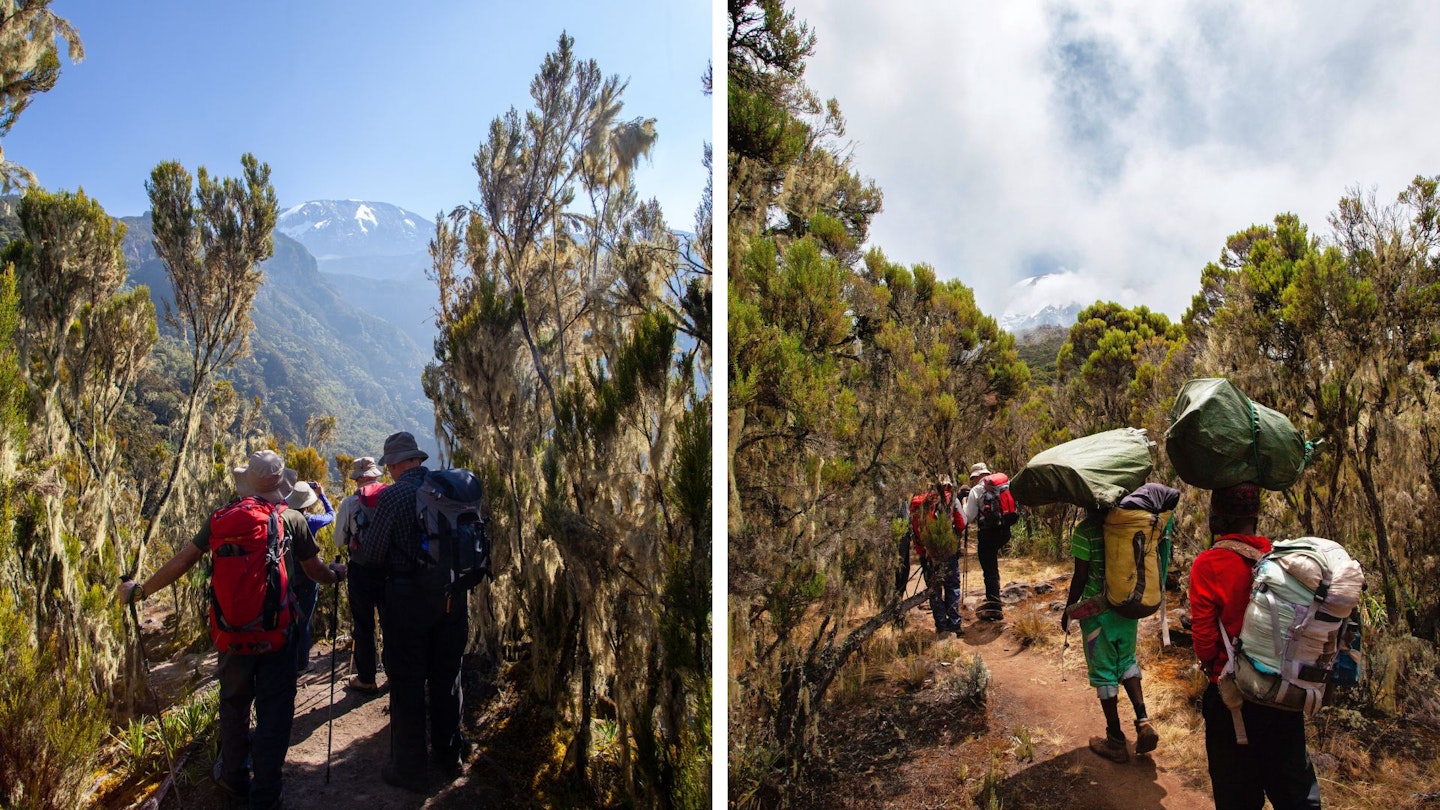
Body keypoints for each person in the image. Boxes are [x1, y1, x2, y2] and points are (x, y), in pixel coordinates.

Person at [116, 450, 345, 810]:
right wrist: (335, 575)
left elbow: (183, 560)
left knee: (234, 706)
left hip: (231, 636)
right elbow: (314, 571)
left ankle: (234, 779)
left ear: (248, 482)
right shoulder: (292, 519)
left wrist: (141, 591)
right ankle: (267, 793)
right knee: (275, 710)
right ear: (281, 484)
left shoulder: (221, 518)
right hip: (277, 636)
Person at [1189, 483, 1322, 809]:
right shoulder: (1280, 560)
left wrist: (1214, 665)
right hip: (1281, 694)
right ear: (1256, 514)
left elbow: (1205, 645)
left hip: (1232, 699)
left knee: (1238, 795)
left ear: (1215, 516)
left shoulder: (1208, 564)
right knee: (1294, 791)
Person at [356, 431, 468, 792]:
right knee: (447, 677)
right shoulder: (449, 488)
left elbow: (371, 555)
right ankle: (450, 757)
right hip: (452, 600)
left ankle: (409, 768)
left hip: (407, 601)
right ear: (418, 460)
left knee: (406, 682)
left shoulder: (394, 496)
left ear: (395, 465)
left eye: (389, 466)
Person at [1062, 508, 1160, 763]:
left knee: (1104, 671)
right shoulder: (1125, 524)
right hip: (1126, 609)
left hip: (1098, 614)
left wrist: (1069, 610)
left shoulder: (1086, 531)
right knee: (1127, 661)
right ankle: (1143, 720)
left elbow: (1080, 576)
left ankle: (1115, 739)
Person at [334, 456, 387, 693]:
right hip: (390, 569)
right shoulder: (391, 497)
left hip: (360, 568)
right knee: (391, 620)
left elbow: (337, 540)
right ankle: (394, 674)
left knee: (363, 624)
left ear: (358, 479)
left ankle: (366, 678)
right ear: (376, 476)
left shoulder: (349, 503)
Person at [284, 478, 334, 674]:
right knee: (304, 621)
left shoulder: (283, 518)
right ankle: (302, 664)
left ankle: (287, 661)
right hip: (308, 578)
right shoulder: (311, 521)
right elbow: (331, 515)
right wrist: (322, 495)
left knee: (287, 621)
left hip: (286, 578)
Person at [908, 474, 967, 637]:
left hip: (927, 553)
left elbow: (913, 529)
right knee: (952, 586)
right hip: (947, 551)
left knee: (934, 589)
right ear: (947, 486)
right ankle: (954, 624)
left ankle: (941, 625)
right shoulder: (951, 499)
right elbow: (962, 522)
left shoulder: (918, 503)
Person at [962, 461, 1012, 621]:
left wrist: (963, 504)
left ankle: (994, 605)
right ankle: (994, 598)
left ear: (976, 476)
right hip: (1005, 530)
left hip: (988, 533)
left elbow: (968, 518)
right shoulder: (1004, 484)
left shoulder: (976, 490)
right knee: (993, 566)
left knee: (989, 569)